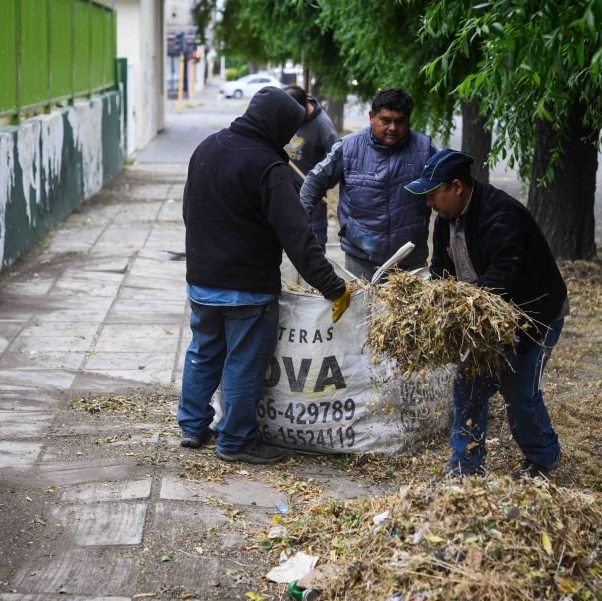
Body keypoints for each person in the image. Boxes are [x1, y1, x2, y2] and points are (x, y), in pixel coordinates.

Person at [178, 86, 351, 465]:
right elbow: (299, 239)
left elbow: (190, 212)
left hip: (202, 283)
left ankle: (192, 426)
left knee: (203, 352)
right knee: (242, 361)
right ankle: (235, 441)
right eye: (288, 131)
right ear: (275, 124)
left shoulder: (207, 148)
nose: (289, 140)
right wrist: (333, 287)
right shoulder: (269, 168)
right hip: (247, 291)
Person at [404, 149, 569, 477]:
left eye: (433, 194)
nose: (428, 203)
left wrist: (456, 307)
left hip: (532, 315)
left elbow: (500, 280)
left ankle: (543, 457)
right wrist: (432, 301)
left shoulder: (501, 215)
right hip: (487, 317)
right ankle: (465, 467)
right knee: (469, 385)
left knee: (518, 389)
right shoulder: (445, 219)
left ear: (457, 187)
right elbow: (440, 269)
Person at [300, 88, 437, 280]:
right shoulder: (348, 148)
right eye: (385, 120)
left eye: (400, 122)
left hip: (410, 263)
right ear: (371, 117)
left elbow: (447, 192)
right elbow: (314, 181)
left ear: (409, 120)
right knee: (362, 310)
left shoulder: (425, 150)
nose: (392, 128)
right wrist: (300, 223)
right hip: (360, 261)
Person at [283, 85, 339, 248]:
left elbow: (337, 163)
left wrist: (320, 184)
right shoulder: (286, 114)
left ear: (302, 106)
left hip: (313, 198)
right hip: (286, 191)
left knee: (314, 245)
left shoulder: (323, 126)